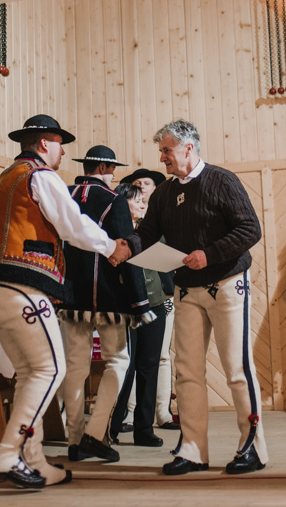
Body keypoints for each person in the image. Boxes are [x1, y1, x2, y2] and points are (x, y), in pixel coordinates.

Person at [0, 115, 129, 488]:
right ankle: (7, 451)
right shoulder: (40, 176)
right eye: (60, 144)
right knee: (50, 370)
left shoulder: (4, 178)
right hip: (20, 286)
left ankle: (35, 460)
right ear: (45, 143)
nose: (62, 153)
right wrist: (111, 247)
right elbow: (73, 225)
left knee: (31, 373)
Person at [126, 119, 267, 475]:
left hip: (228, 282)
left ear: (188, 148)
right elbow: (147, 233)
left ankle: (253, 446)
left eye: (167, 151)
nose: (162, 158)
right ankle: (192, 450)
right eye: (161, 151)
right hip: (187, 289)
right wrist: (127, 246)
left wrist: (211, 254)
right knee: (187, 372)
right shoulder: (163, 194)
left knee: (237, 368)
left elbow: (250, 228)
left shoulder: (222, 180)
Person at [60, 145, 153, 463]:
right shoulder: (114, 200)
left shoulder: (64, 194)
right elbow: (127, 253)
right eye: (112, 170)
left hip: (70, 295)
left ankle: (74, 439)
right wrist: (140, 302)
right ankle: (95, 433)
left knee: (75, 365)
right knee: (118, 361)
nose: (113, 177)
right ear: (102, 168)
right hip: (109, 295)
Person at [108, 182, 171, 447]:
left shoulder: (151, 230)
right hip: (127, 307)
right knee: (126, 366)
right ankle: (111, 427)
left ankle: (144, 429)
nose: (142, 204)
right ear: (123, 204)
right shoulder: (112, 232)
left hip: (154, 303)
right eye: (136, 200)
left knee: (150, 365)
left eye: (143, 200)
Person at [117, 168, 178, 431]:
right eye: (137, 184)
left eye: (146, 183)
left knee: (160, 356)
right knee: (130, 358)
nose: (141, 187)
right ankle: (130, 413)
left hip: (162, 294)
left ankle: (162, 412)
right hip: (132, 298)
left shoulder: (164, 215)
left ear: (156, 188)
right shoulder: (123, 223)